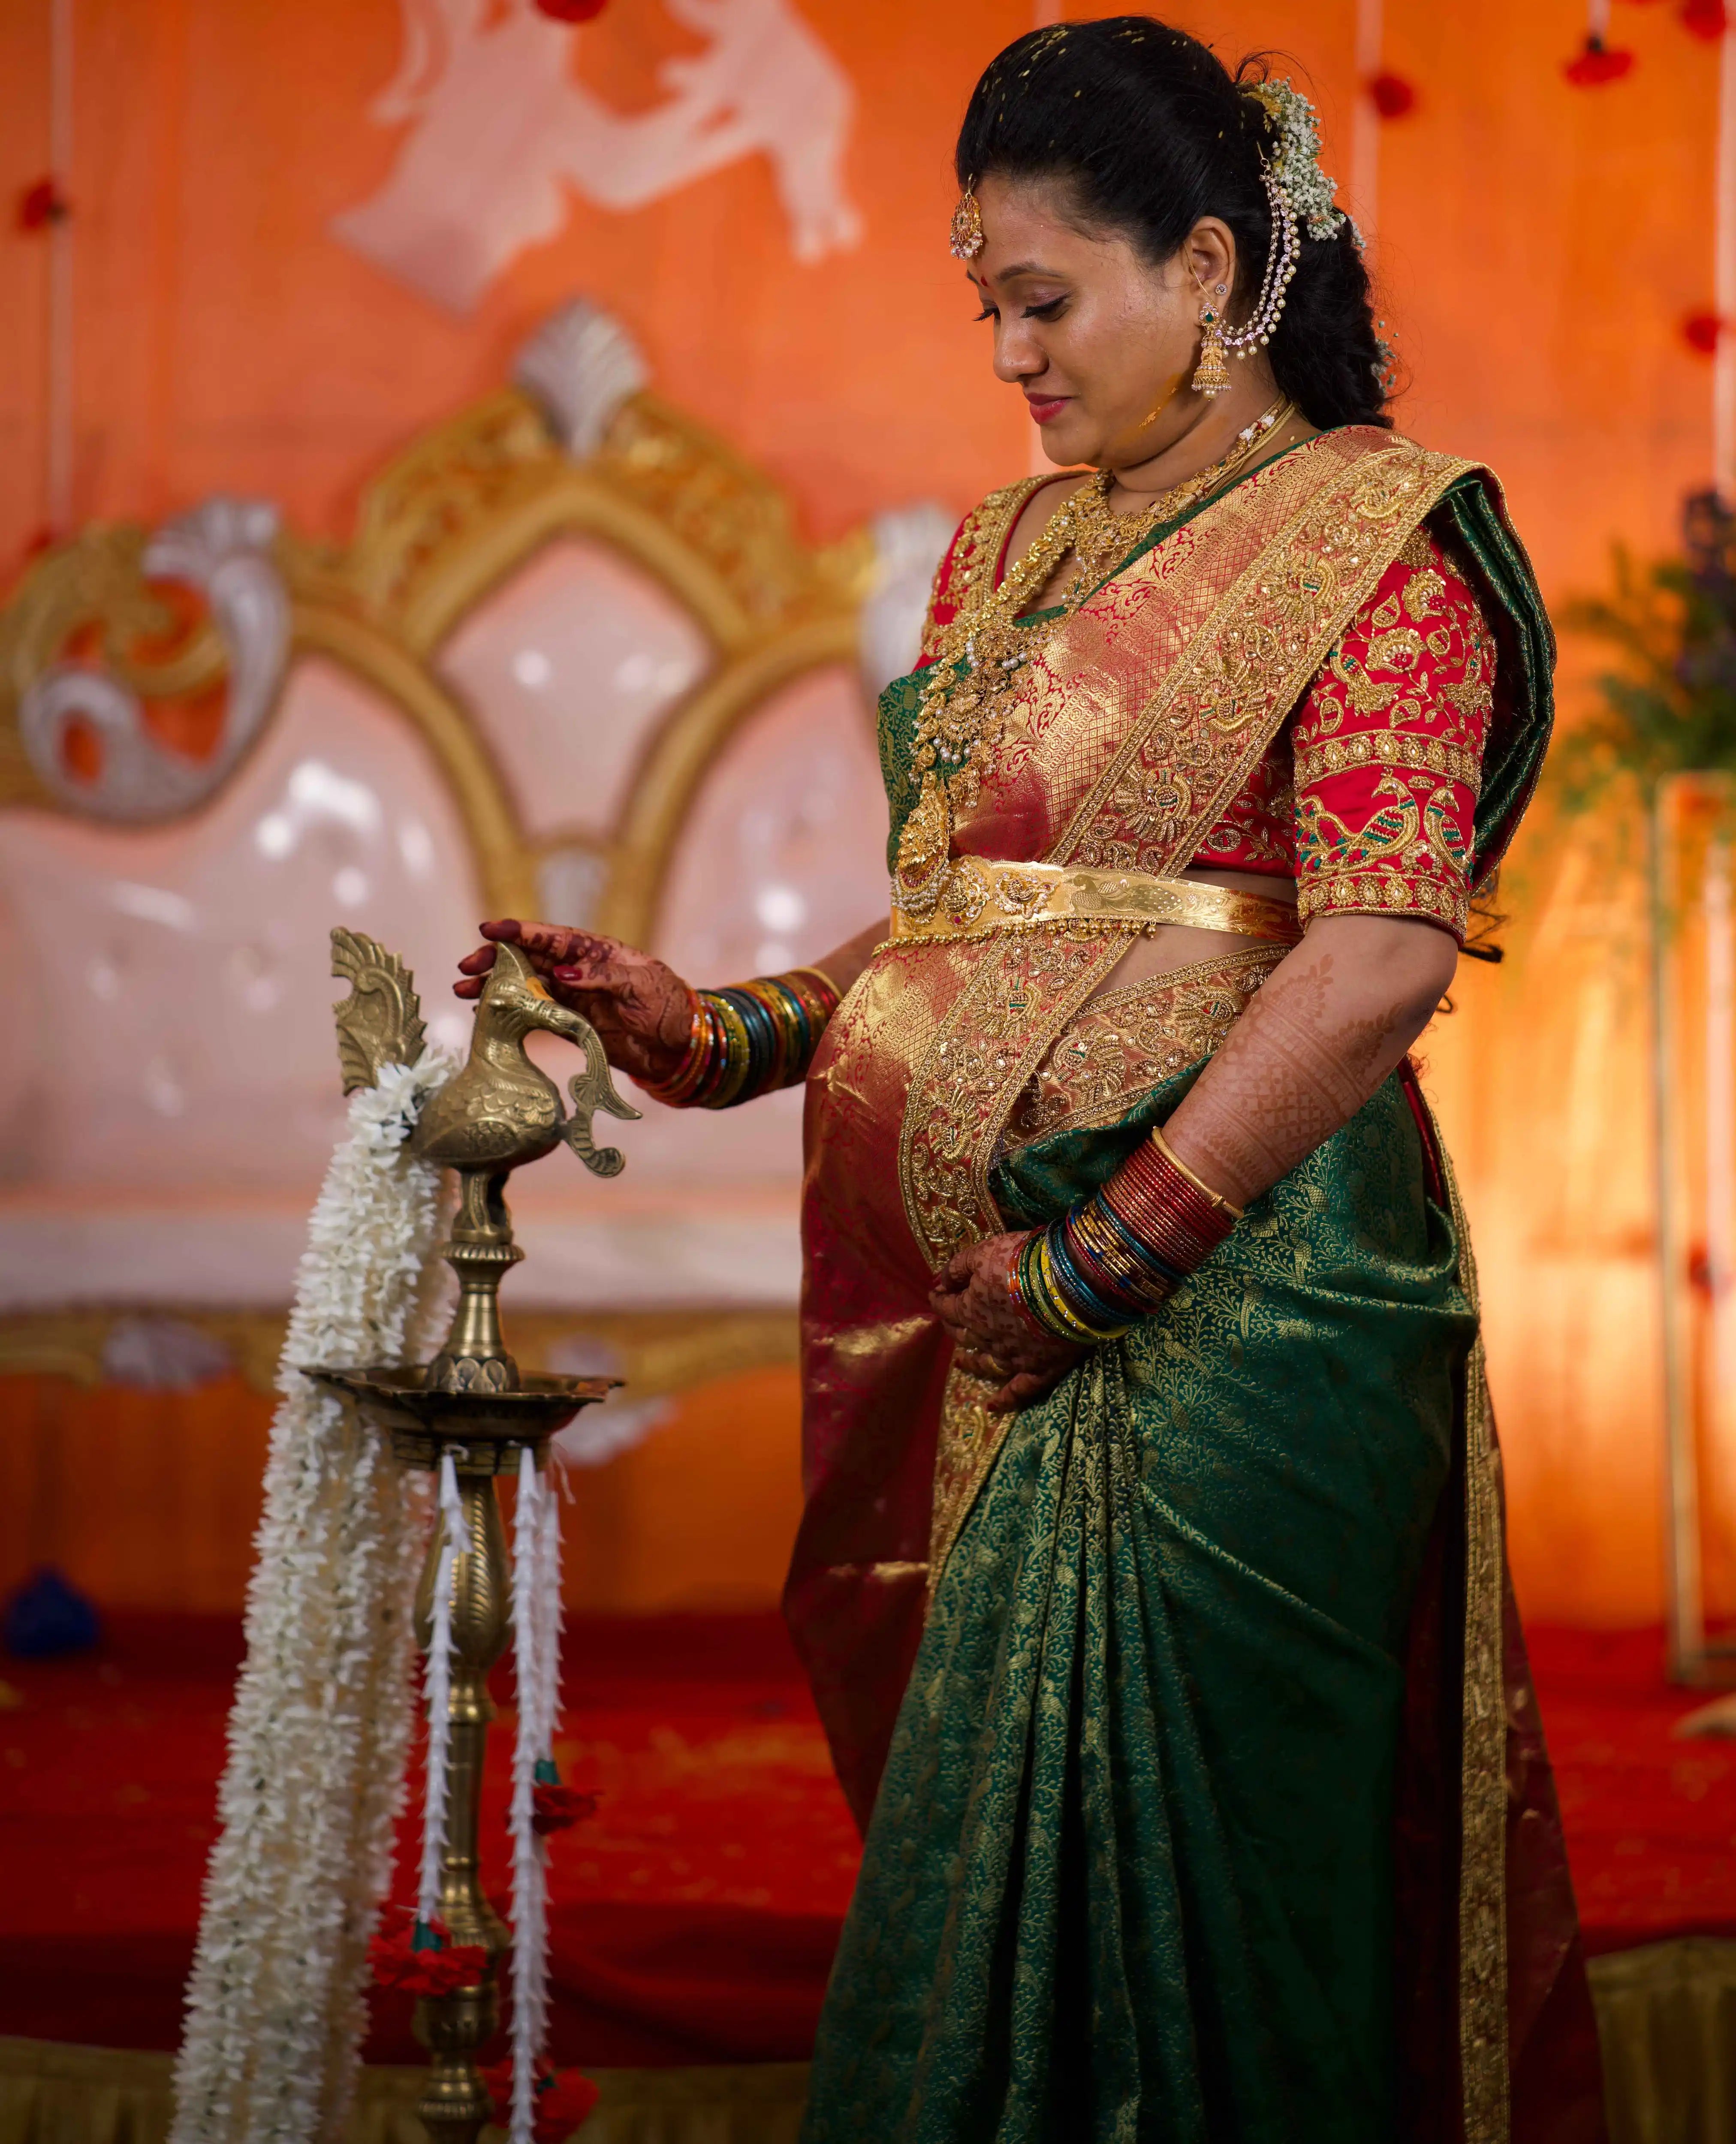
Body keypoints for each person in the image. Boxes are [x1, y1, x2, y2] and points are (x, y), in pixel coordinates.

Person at [456, 18, 1605, 2138]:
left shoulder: (1381, 538)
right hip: (980, 1317)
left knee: (1216, 1903)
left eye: (1042, 298)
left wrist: (1113, 1250)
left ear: (1200, 263)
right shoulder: (1012, 548)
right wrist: (715, 1030)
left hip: (1235, 1312)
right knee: (985, 1894)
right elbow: (964, 926)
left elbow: (1373, 952)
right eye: (983, 301)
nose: (1008, 352)